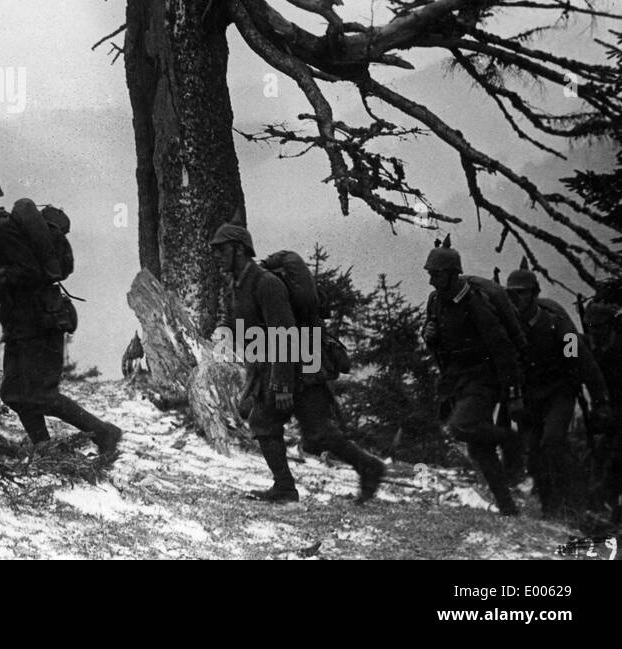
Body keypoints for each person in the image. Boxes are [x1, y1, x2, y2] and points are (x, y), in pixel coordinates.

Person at [0, 159, 122, 458]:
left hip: (38, 322)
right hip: (21, 323)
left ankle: (104, 432)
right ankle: (44, 448)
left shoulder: (4, 230)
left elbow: (31, 273)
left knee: (40, 393)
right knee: (13, 393)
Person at [210, 221, 384, 504]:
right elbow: (238, 316)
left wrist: (281, 385)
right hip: (275, 364)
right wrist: (223, 330)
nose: (216, 256)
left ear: (239, 250)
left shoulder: (267, 284)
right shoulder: (237, 283)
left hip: (301, 366)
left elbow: (285, 334)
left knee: (316, 433)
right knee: (267, 423)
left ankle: (369, 467)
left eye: (221, 249)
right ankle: (286, 487)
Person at [421, 238, 523, 515]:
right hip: (457, 378)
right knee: (480, 450)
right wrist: (429, 337)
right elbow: (438, 340)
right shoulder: (436, 301)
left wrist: (513, 394)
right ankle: (508, 508)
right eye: (429, 273)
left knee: (461, 427)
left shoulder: (474, 302)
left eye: (436, 274)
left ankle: (513, 440)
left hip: (483, 378)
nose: (431, 280)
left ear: (453, 273)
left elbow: (503, 348)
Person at [503, 264, 611, 517]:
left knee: (552, 440)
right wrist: (513, 397)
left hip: (558, 392)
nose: (515, 299)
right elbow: (505, 364)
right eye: (511, 294)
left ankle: (573, 500)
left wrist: (599, 400)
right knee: (534, 452)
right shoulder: (508, 326)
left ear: (534, 294)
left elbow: (581, 360)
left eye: (520, 293)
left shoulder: (556, 322)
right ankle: (549, 506)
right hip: (529, 396)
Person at [583, 292, 622, 522]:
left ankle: (609, 501)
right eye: (590, 327)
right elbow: (568, 351)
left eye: (598, 327)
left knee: (616, 455)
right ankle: (597, 503)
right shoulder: (586, 344)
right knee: (595, 453)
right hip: (604, 408)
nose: (594, 332)